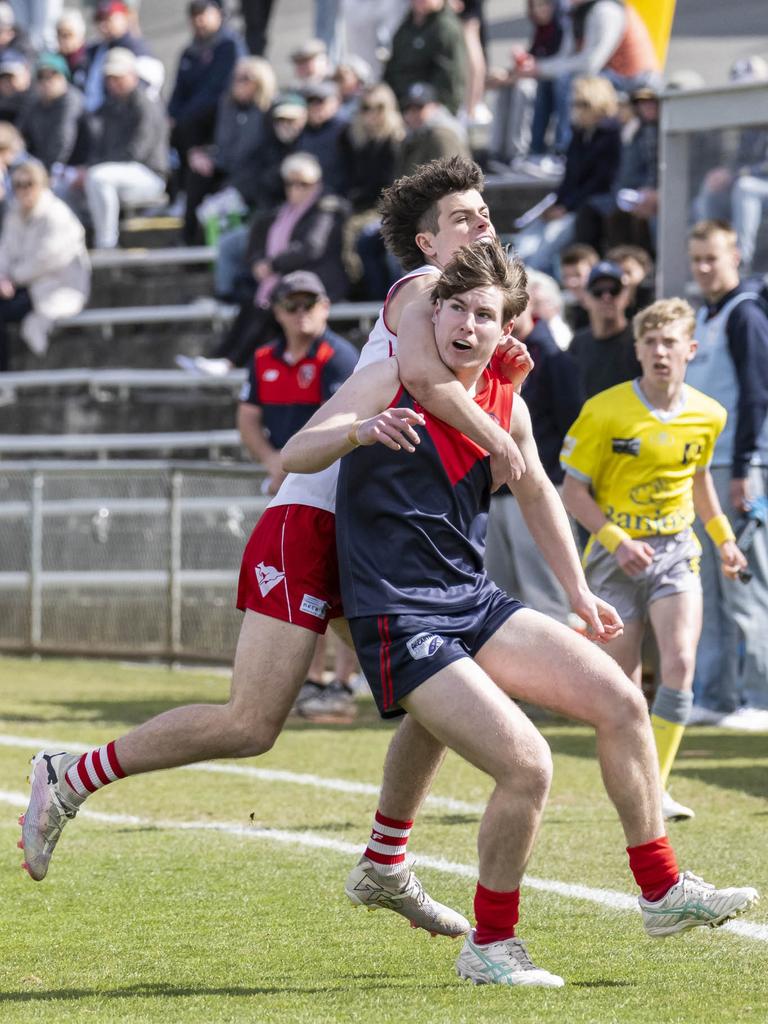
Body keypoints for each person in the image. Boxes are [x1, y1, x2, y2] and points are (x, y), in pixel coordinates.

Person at [19, 158, 529, 953]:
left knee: (440, 675)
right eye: (465, 216)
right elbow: (428, 389)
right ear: (426, 241)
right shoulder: (423, 288)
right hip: (314, 518)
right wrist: (500, 429)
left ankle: (387, 858)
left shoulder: (472, 308)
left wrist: (504, 384)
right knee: (251, 724)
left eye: (486, 212)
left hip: (372, 532)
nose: (483, 223)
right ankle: (69, 775)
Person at [281, 239, 758, 988]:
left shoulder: (508, 402)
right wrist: (357, 431)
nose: (468, 325)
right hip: (399, 615)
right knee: (528, 765)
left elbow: (537, 494)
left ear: (508, 331)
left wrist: (576, 593)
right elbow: (294, 453)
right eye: (458, 309)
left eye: (486, 315)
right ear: (433, 313)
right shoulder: (390, 379)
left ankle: (662, 891)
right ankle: (491, 945)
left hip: (472, 600)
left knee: (621, 701)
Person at [561, 298, 748, 821]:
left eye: (671, 343)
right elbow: (572, 492)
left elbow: (700, 480)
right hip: (614, 558)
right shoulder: (606, 410)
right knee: (619, 689)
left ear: (690, 349)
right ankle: (632, 781)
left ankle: (655, 789)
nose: (661, 352)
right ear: (637, 350)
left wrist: (723, 538)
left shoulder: (709, 413)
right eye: (651, 343)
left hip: (674, 551)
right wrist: (617, 539)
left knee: (681, 663)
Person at [237, 270, 361, 718]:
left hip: (332, 488)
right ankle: (312, 678)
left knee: (340, 583)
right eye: (293, 304)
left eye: (311, 302)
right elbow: (248, 417)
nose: (303, 312)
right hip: (293, 484)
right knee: (303, 582)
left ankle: (343, 682)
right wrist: (275, 461)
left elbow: (340, 424)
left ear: (326, 307)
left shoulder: (338, 357)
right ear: (278, 311)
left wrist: (289, 465)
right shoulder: (264, 358)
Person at [686, 220, 768, 727]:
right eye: (696, 259)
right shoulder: (702, 314)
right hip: (702, 470)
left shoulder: (747, 315)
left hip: (740, 470)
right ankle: (715, 697)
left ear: (735, 255)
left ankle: (758, 697)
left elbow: (758, 394)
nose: (703, 268)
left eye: (712, 258)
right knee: (710, 587)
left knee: (746, 581)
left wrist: (742, 469)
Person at [186, 152, 349, 376]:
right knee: (250, 302)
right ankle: (219, 356)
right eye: (291, 183)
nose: (297, 188)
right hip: (289, 279)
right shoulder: (281, 213)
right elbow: (258, 245)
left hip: (318, 283)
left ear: (317, 183)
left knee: (268, 305)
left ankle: (230, 362)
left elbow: (311, 247)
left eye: (304, 183)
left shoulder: (326, 209)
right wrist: (259, 263)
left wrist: (272, 265)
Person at [485, 297, 579, 623]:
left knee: (545, 601)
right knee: (497, 601)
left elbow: (573, 426)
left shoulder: (552, 357)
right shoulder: (485, 353)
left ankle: (556, 674)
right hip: (493, 494)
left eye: (516, 304)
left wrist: (557, 480)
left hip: (538, 489)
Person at [513, 75, 622, 274]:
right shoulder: (579, 135)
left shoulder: (612, 136)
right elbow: (569, 178)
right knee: (524, 243)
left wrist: (566, 208)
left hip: (591, 205)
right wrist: (557, 204)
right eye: (574, 104)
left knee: (548, 243)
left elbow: (601, 181)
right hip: (568, 204)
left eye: (582, 104)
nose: (576, 109)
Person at [0, 157, 89, 369]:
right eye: (18, 185)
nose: (23, 190)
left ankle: (5, 380)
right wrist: (2, 277)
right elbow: (5, 252)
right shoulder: (14, 215)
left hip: (54, 286)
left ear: (42, 184)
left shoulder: (56, 215)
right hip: (21, 286)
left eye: (29, 184)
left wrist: (10, 278)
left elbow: (45, 259)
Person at [183, 54, 276, 245]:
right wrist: (196, 153)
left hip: (252, 172)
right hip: (224, 165)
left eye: (245, 78)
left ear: (260, 81)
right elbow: (188, 126)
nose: (237, 83)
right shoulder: (224, 105)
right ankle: (189, 241)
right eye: (235, 77)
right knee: (197, 176)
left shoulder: (270, 111)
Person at [83, 46, 168, 249]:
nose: (114, 83)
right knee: (69, 186)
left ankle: (106, 245)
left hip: (150, 175)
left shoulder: (145, 104)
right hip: (117, 173)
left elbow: (136, 152)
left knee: (98, 177)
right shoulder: (109, 108)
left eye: (119, 77)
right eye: (110, 78)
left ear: (133, 75)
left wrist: (94, 167)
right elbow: (99, 148)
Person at [167, 0, 244, 197]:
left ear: (218, 14)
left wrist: (184, 116)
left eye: (203, 13)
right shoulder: (189, 52)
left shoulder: (229, 46)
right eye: (194, 15)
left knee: (188, 126)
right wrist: (172, 115)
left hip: (217, 115)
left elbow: (217, 89)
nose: (198, 20)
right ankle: (177, 191)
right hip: (190, 118)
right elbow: (179, 90)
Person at [569, 258, 639, 399]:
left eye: (614, 290)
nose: (606, 297)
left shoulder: (640, 340)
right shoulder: (578, 344)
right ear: (585, 298)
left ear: (627, 296)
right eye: (597, 291)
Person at [384, 0, 466, 116]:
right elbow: (392, 69)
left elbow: (451, 79)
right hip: (401, 103)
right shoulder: (405, 27)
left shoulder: (445, 28)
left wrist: (434, 106)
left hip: (431, 108)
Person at [18, 52, 87, 173]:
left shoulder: (71, 100)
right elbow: (19, 134)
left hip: (72, 166)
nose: (47, 82)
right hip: (41, 163)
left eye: (52, 76)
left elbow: (62, 140)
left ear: (65, 78)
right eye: (41, 77)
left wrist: (44, 171)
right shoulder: (35, 101)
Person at [82, 0, 151, 114]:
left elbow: (144, 92)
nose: (103, 25)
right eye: (100, 19)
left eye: (108, 18)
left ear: (124, 17)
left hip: (121, 120)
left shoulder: (137, 49)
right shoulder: (95, 49)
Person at [559, 240, 597, 330]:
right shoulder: (563, 308)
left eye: (578, 275)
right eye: (566, 277)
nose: (571, 283)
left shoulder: (609, 306)